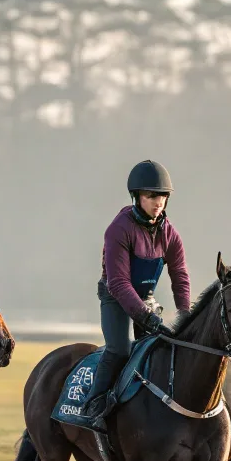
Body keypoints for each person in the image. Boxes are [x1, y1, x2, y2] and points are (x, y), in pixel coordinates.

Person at [81, 159, 191, 429]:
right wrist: (147, 318)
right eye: (151, 196)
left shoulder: (170, 235)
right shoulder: (119, 229)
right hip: (115, 297)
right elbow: (118, 284)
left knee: (160, 352)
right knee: (120, 350)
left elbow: (180, 277)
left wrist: (187, 314)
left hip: (145, 299)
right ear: (137, 197)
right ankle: (94, 405)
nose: (158, 202)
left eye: (162, 196)